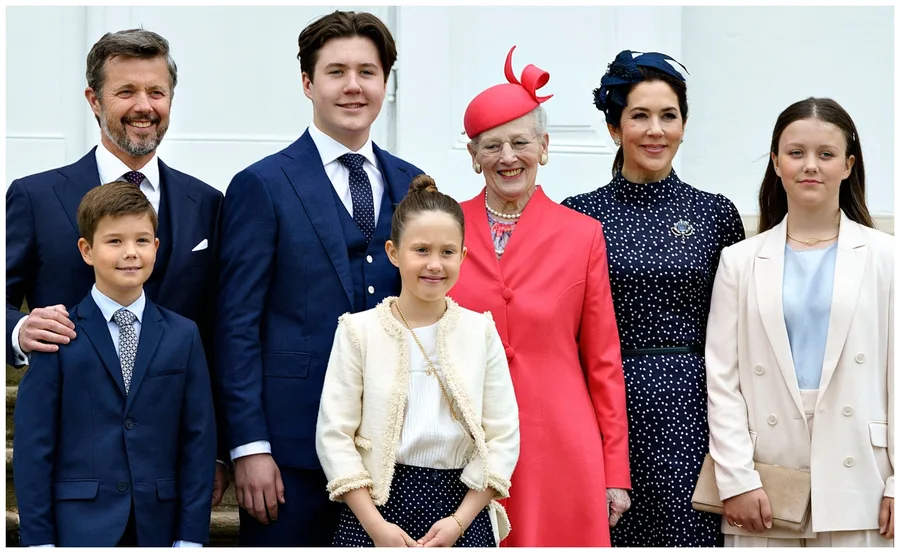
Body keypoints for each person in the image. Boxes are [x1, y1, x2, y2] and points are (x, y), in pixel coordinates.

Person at [214, 10, 424, 546]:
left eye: (367, 72)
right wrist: (249, 447)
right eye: (336, 72)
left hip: (395, 450)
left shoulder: (414, 184)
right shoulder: (260, 184)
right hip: (289, 454)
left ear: (385, 83)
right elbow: (235, 325)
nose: (353, 86)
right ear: (308, 83)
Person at [5, 28, 229, 504]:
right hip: (76, 463)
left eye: (156, 92)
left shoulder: (208, 203)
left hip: (176, 458)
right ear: (94, 99)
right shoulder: (35, 197)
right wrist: (18, 329)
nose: (143, 105)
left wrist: (219, 450)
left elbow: (222, 331)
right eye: (125, 91)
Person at [562, 50, 745, 546]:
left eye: (669, 116)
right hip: (606, 406)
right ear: (614, 127)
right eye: (639, 116)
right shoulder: (578, 217)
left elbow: (739, 330)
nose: (655, 130)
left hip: (695, 409)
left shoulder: (715, 214)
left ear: (684, 125)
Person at [449, 45, 630, 547]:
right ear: (473, 156)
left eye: (520, 143)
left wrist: (615, 471)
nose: (508, 157)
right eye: (491, 146)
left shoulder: (583, 234)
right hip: (467, 443)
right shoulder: (445, 226)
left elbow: (604, 361)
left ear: (544, 147)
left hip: (559, 444)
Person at [705, 97, 893, 547]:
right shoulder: (739, 260)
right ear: (775, 162)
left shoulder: (887, 257)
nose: (810, 166)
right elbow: (722, 378)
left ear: (849, 165)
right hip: (765, 480)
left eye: (826, 154)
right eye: (795, 153)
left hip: (863, 477)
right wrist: (737, 478)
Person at [315, 174, 520, 547]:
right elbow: (334, 436)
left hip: (461, 507)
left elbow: (503, 436)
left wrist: (459, 521)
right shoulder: (359, 331)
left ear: (463, 255)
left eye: (447, 252)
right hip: (377, 508)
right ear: (393, 252)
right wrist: (377, 528)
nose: (435, 265)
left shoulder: (480, 331)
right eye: (421, 250)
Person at [13, 181, 217, 547]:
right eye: (114, 241)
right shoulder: (57, 334)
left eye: (141, 240)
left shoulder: (183, 335)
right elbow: (33, 447)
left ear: (156, 247)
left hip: (159, 526)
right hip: (78, 527)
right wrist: (39, 541)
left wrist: (191, 537)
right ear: (87, 250)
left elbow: (198, 441)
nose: (130, 253)